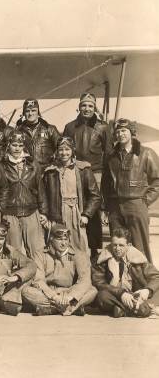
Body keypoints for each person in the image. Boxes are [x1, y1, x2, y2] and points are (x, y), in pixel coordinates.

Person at [102, 118, 159, 263]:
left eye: (124, 131)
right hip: (115, 207)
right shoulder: (111, 157)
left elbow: (157, 180)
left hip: (136, 205)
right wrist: (107, 206)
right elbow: (105, 184)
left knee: (140, 246)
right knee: (117, 247)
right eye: (118, 131)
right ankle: (121, 279)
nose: (121, 134)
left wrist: (145, 200)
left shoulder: (146, 153)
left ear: (132, 133)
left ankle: (144, 279)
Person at [63, 92, 111, 258]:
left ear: (95, 107)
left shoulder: (103, 127)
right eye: (84, 105)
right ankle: (73, 248)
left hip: (95, 172)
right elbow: (65, 149)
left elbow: (109, 153)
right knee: (75, 208)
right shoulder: (70, 127)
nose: (87, 108)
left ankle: (94, 250)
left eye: (90, 105)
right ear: (79, 106)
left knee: (94, 210)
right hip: (75, 172)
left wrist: (105, 179)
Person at [39, 137, 101, 253]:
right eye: (61, 149)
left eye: (67, 149)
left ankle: (82, 270)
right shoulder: (50, 171)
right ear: (57, 151)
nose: (64, 153)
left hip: (76, 213)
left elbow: (95, 195)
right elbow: (43, 196)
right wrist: (44, 214)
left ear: (72, 150)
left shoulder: (83, 169)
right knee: (57, 246)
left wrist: (86, 215)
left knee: (79, 247)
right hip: (56, 214)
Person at [22, 224, 97, 316]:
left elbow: (84, 281)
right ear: (51, 239)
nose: (63, 243)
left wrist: (71, 296)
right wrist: (54, 296)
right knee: (26, 291)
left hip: (70, 291)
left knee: (92, 291)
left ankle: (52, 309)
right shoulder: (40, 254)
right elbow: (38, 280)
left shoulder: (79, 255)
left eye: (65, 239)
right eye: (59, 239)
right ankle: (71, 308)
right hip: (50, 292)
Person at [0, 131, 45, 258]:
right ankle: (16, 277)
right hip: (10, 213)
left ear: (24, 146)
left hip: (31, 211)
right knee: (13, 251)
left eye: (20, 145)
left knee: (36, 250)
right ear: (8, 145)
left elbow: (40, 189)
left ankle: (38, 278)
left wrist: (43, 211)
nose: (17, 148)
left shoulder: (33, 164)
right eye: (14, 144)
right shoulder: (1, 165)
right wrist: (1, 211)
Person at [92, 228, 159, 318]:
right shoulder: (103, 258)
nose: (117, 249)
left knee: (149, 300)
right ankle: (137, 309)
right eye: (114, 245)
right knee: (102, 296)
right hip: (114, 294)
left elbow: (156, 276)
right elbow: (98, 282)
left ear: (128, 245)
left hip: (135, 294)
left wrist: (147, 290)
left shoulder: (138, 258)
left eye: (121, 245)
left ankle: (121, 310)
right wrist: (121, 293)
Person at [14, 98, 60, 166]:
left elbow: (61, 149)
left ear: (38, 112)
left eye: (33, 110)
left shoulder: (50, 129)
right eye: (27, 111)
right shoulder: (18, 132)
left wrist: (52, 166)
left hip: (46, 172)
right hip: (26, 172)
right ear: (24, 113)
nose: (30, 113)